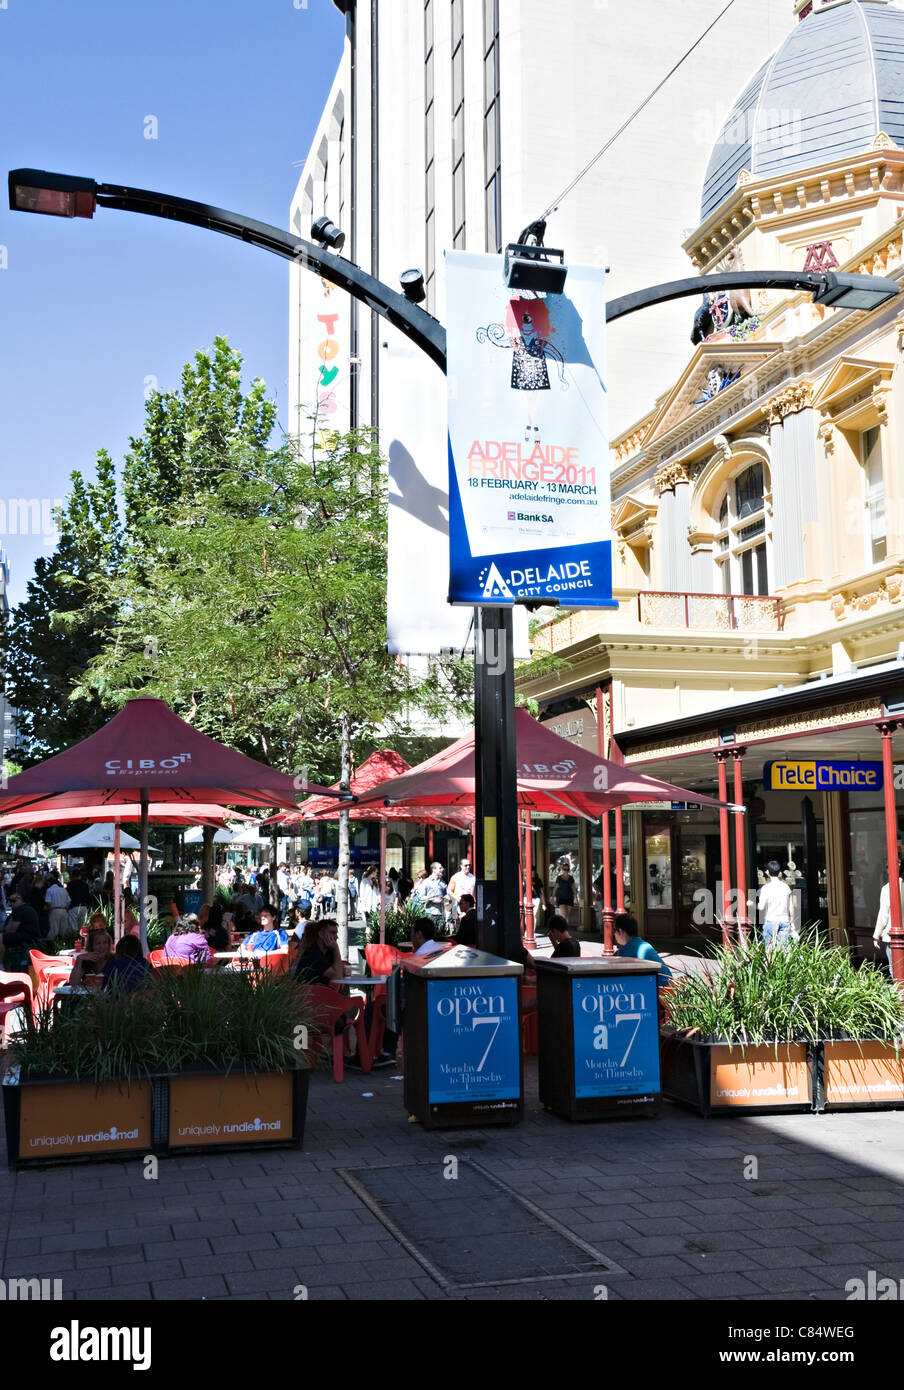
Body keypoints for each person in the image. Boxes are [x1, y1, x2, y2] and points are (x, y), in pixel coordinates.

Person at [612, 916, 672, 980]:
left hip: (658, 987)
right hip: (670, 984)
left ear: (621, 931)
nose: (613, 934)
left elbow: (619, 978)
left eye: (614, 930)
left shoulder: (624, 951)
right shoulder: (645, 944)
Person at [873, 864, 904, 975]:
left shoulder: (887, 888)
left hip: (893, 936)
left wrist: (877, 935)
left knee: (895, 969)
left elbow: (883, 914)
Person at [758, 860, 795, 951]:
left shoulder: (766, 888)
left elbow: (761, 907)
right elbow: (791, 906)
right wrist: (792, 922)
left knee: (769, 950)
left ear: (767, 872)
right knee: (785, 950)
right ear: (779, 873)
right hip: (784, 921)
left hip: (771, 921)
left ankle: (771, 965)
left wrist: (751, 904)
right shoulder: (785, 887)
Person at [294, 918, 344, 984]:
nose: (336, 937)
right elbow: (338, 977)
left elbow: (339, 973)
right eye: (333, 933)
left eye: (336, 933)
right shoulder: (312, 953)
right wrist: (336, 948)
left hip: (323, 992)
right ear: (320, 934)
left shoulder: (329, 951)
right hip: (309, 992)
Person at [0, 893, 43, 966]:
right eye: (10, 901)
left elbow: (13, 929)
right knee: (3, 939)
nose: (11, 903)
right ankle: (5, 965)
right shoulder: (28, 907)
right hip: (32, 935)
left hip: (27, 936)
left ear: (20, 900)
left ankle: (1, 964)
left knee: (0, 938)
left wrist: (3, 932)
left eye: (14, 901)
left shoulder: (19, 910)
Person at [43, 874, 71, 940]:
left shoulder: (49, 890)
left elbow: (48, 902)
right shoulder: (63, 890)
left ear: (49, 883)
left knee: (53, 930)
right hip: (64, 910)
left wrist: (49, 909)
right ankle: (64, 943)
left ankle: (51, 945)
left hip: (54, 910)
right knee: (64, 930)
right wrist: (65, 908)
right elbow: (69, 901)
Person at [66, 868, 91, 933]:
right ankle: (82, 940)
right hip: (83, 907)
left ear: (72, 876)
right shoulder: (85, 884)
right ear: (80, 875)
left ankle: (75, 940)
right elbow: (88, 896)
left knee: (73, 927)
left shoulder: (70, 884)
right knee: (82, 926)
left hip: (73, 907)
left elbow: (67, 896)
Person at [554, 860, 577, 926]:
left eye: (567, 869)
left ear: (569, 870)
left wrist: (576, 897)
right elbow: (555, 888)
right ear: (562, 869)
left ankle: (565, 929)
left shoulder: (571, 878)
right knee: (563, 914)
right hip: (561, 897)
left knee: (567, 915)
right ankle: (563, 928)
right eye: (565, 869)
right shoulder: (559, 878)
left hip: (569, 897)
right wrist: (553, 897)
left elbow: (573, 888)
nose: (566, 870)